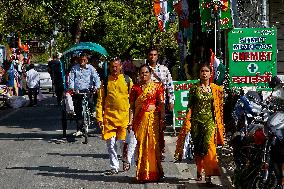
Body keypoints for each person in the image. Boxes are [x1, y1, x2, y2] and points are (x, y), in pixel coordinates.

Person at [174, 62, 224, 186]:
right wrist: (187, 122)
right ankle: (199, 170)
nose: (204, 73)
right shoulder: (194, 88)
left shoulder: (215, 89)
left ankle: (209, 175)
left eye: (207, 71)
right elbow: (190, 106)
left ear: (211, 73)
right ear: (199, 73)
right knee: (198, 149)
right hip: (196, 122)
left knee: (209, 148)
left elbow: (219, 108)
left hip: (209, 122)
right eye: (202, 71)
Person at [128, 64, 165, 182]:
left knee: (153, 145)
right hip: (140, 121)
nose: (144, 75)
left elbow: (161, 104)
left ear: (150, 74)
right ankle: (143, 174)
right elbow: (132, 107)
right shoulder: (135, 88)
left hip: (153, 120)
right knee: (142, 146)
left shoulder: (157, 87)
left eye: (146, 73)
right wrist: (130, 121)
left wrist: (162, 119)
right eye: (142, 73)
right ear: (139, 74)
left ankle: (155, 173)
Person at [96, 57, 133, 175]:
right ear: (109, 67)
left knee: (123, 144)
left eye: (117, 66)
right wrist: (99, 118)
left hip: (124, 119)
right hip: (109, 119)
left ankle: (125, 160)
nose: (115, 68)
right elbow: (100, 100)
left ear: (121, 66)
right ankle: (114, 167)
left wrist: (132, 118)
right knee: (111, 145)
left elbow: (133, 100)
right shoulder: (106, 81)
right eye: (112, 66)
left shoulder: (127, 80)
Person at [147, 47, 174, 158]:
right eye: (151, 55)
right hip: (147, 102)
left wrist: (171, 100)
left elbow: (170, 86)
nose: (152, 57)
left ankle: (160, 149)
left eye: (155, 55)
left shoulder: (164, 69)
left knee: (160, 126)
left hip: (161, 102)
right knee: (148, 126)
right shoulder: (144, 70)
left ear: (157, 56)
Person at [69, 54, 101, 136]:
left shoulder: (91, 68)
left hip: (87, 90)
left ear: (87, 60)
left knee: (90, 99)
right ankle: (79, 129)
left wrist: (97, 87)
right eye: (80, 60)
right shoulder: (74, 68)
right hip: (77, 91)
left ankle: (93, 111)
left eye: (84, 60)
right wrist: (72, 87)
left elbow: (96, 78)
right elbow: (71, 79)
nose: (82, 61)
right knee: (78, 110)